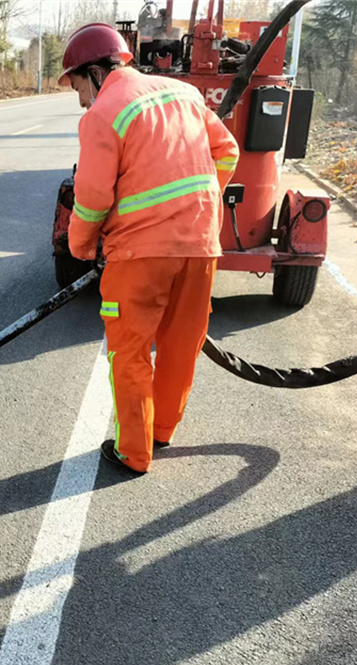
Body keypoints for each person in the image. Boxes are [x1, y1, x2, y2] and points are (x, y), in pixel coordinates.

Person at [60, 23, 239, 475]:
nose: (80, 97)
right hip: (201, 246)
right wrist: (196, 209)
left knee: (131, 351)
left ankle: (133, 452)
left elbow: (94, 196)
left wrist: (80, 246)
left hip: (139, 256)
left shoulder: (103, 113)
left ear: (95, 71)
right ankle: (162, 432)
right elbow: (228, 153)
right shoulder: (184, 94)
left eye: (78, 84)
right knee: (182, 345)